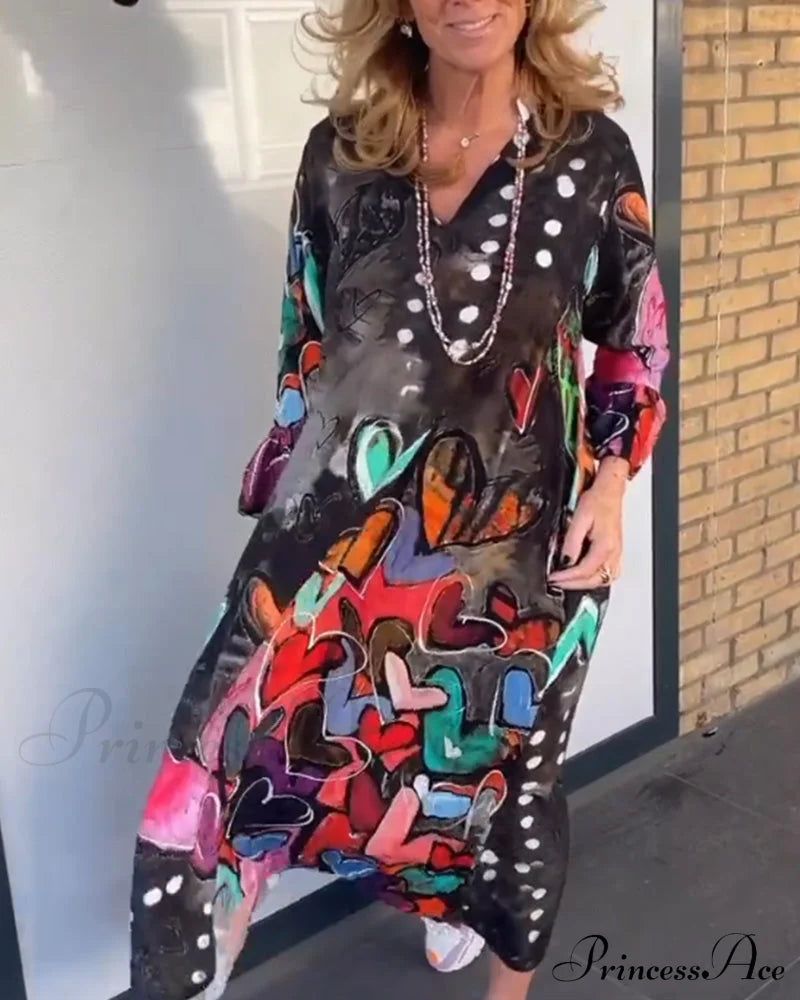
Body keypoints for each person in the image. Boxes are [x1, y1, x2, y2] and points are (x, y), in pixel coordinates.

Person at [129, 0, 670, 996]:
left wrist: (610, 477)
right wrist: (284, 510)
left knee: (503, 788)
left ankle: (479, 947)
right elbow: (304, 339)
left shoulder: (590, 156)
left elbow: (632, 340)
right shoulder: (339, 156)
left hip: (513, 558)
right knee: (213, 765)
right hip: (338, 526)